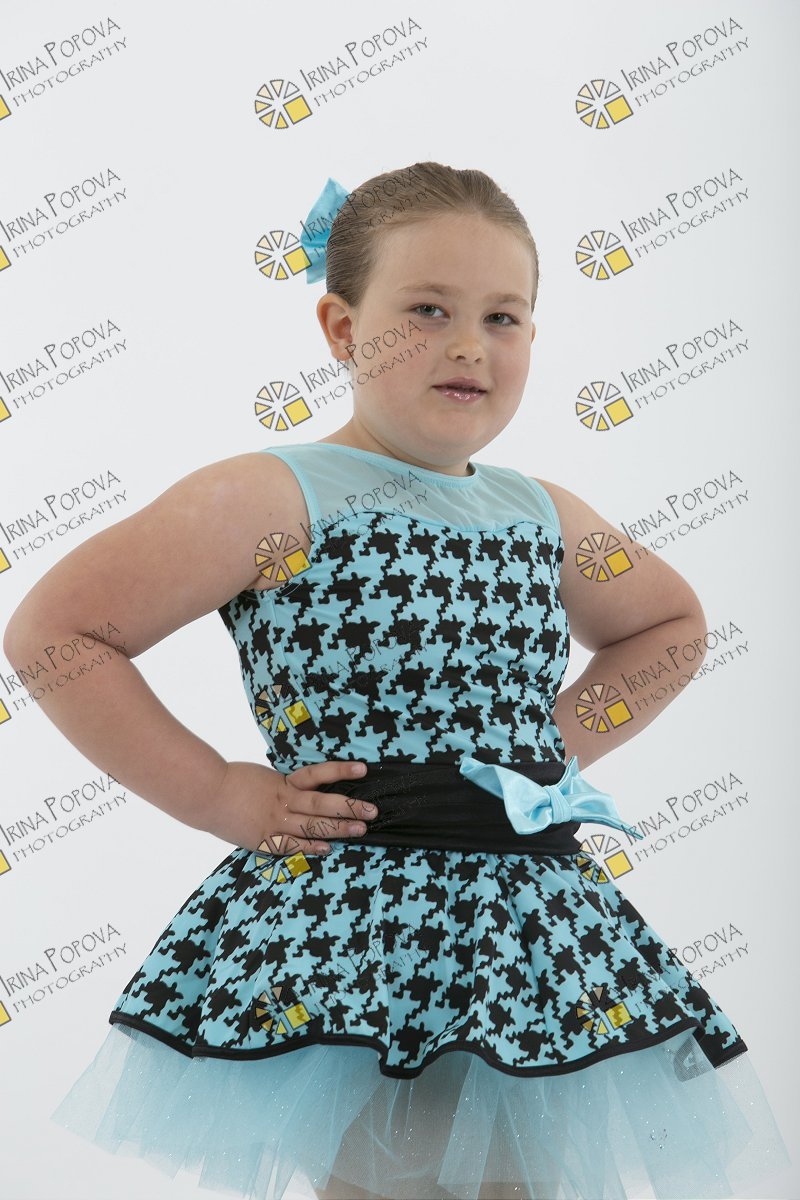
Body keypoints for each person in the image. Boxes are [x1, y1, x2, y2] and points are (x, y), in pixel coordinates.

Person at [4, 162, 792, 1200]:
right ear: (343, 330)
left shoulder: (543, 514)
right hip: (357, 914)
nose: (468, 344)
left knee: (518, 1181)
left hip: (528, 918)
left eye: (502, 316)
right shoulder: (272, 497)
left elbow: (669, 626)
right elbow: (57, 633)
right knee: (384, 1177)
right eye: (428, 310)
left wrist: (548, 751)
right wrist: (219, 793)